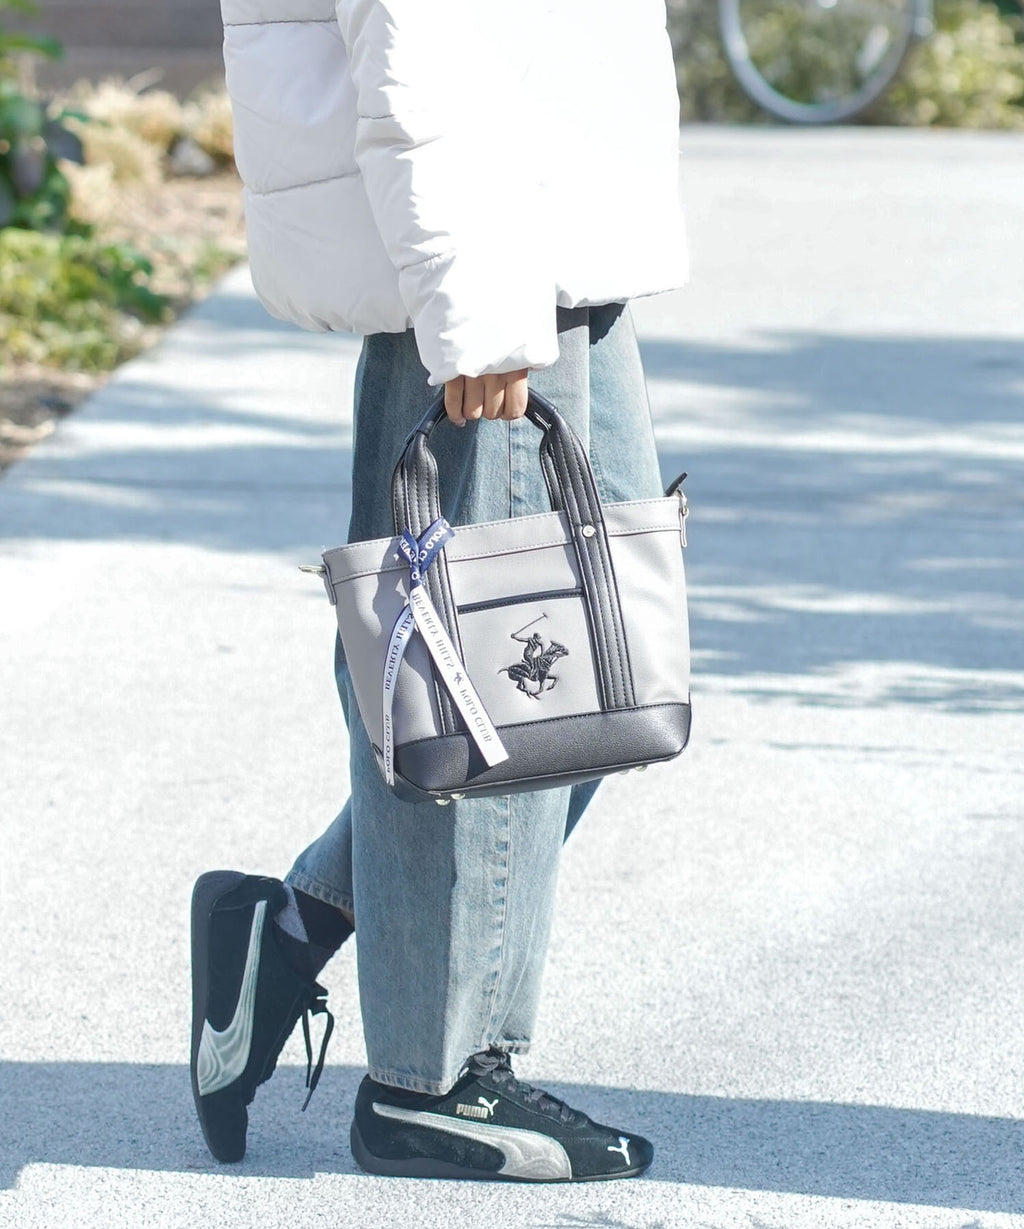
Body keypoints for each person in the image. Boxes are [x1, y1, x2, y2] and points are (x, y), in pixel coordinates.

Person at [190, 0, 688, 1182]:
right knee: (474, 687)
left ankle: (296, 927)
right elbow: (416, 36)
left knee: (599, 675)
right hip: (496, 256)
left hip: (554, 233)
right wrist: (476, 301)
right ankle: (431, 1079)